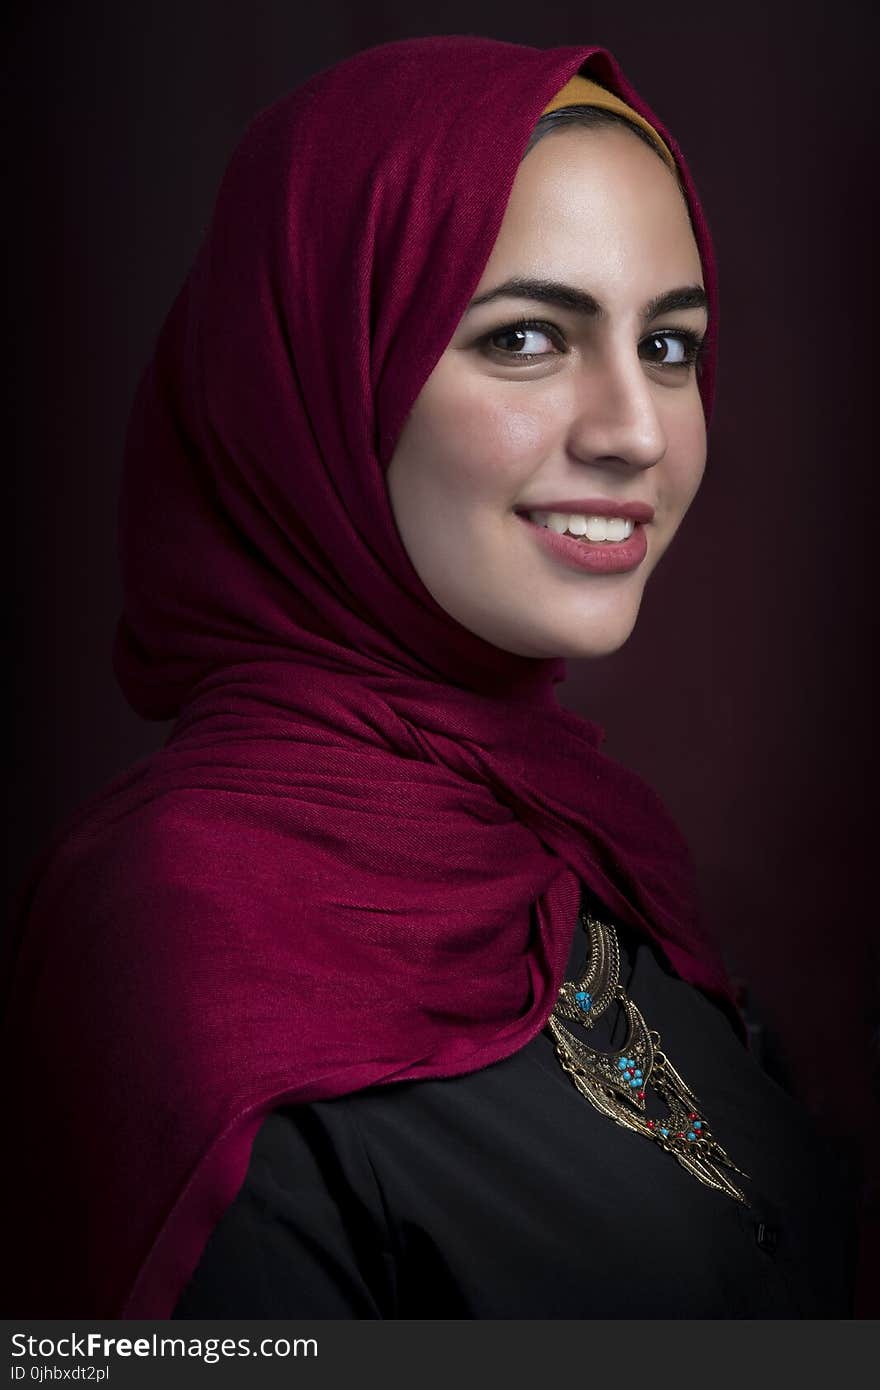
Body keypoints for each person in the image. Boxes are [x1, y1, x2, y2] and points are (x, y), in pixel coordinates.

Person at [4, 35, 855, 1319]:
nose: (633, 430)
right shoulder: (177, 927)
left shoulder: (580, 843)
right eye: (524, 336)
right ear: (317, 374)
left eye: (669, 348)